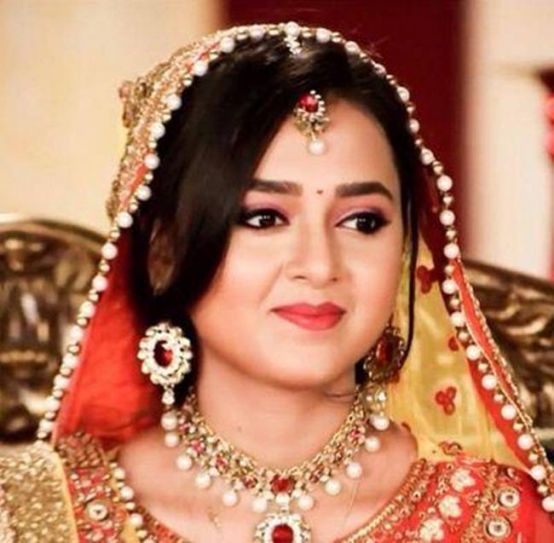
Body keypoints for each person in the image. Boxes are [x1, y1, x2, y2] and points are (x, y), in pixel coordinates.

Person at [0, 21, 553, 543]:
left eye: (362, 222)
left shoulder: (508, 518)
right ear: (163, 252)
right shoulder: (32, 516)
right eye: (264, 218)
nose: (319, 265)